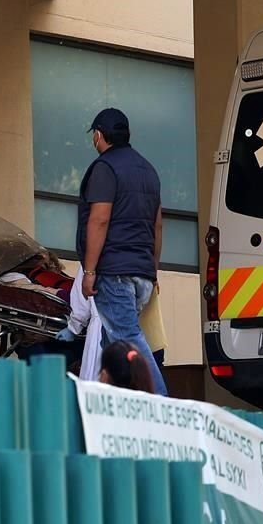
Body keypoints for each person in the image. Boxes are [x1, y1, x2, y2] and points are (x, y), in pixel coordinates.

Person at [77, 108, 168, 395]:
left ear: (99, 135)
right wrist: (152, 272)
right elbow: (158, 226)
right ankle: (107, 411)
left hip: (114, 273)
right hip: (141, 272)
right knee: (112, 347)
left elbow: (100, 219)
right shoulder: (148, 170)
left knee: (128, 341)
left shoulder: (106, 168)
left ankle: (163, 405)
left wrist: (89, 271)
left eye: (95, 134)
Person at [55, 264, 104, 381]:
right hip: (130, 327)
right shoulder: (139, 256)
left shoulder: (92, 261)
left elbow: (82, 303)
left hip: (100, 329)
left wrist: (73, 327)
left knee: (94, 380)